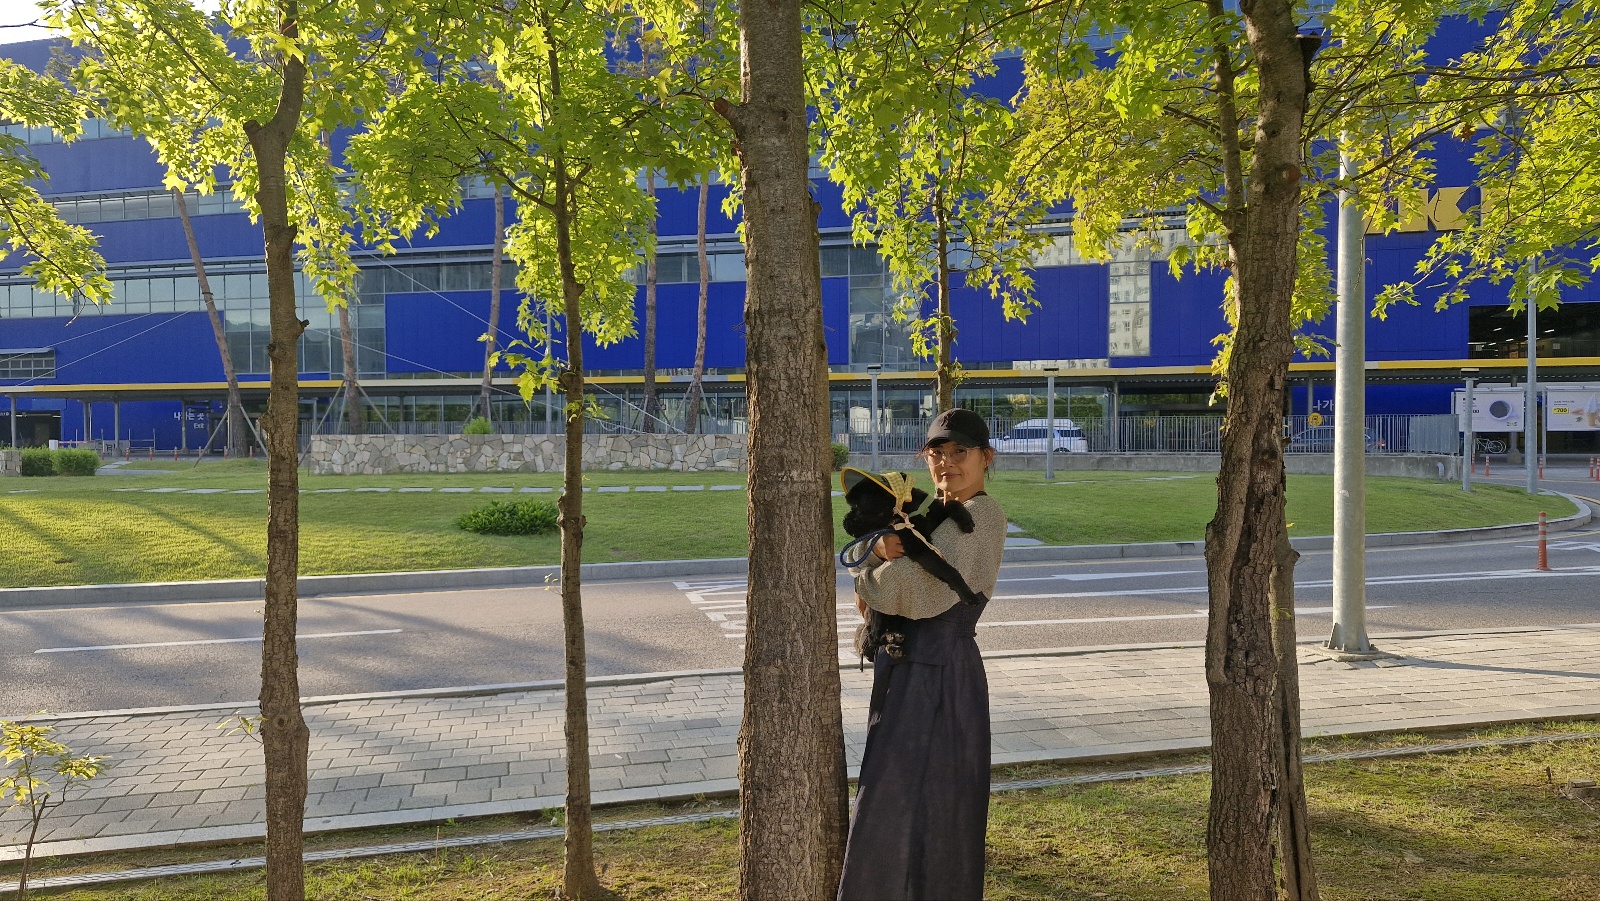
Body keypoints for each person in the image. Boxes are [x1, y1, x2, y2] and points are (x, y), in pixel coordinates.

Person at [837, 408, 1008, 901]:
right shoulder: (931, 519)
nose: (947, 463)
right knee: (897, 805)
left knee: (929, 810)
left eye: (960, 452)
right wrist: (876, 567)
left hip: (941, 677)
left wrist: (867, 569)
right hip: (907, 672)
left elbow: (915, 595)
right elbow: (879, 597)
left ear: (986, 458)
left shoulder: (981, 514)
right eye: (938, 452)